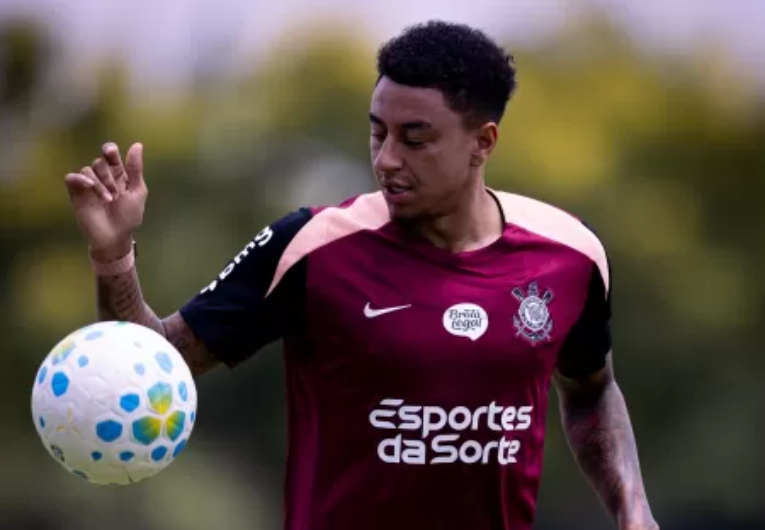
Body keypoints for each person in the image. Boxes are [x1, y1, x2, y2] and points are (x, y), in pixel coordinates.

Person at [64, 20, 659, 530]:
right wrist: (113, 254)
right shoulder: (311, 247)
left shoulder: (569, 256)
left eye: (415, 139)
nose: (386, 158)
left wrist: (634, 512)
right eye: (378, 132)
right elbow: (150, 363)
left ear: (483, 142)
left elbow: (592, 389)